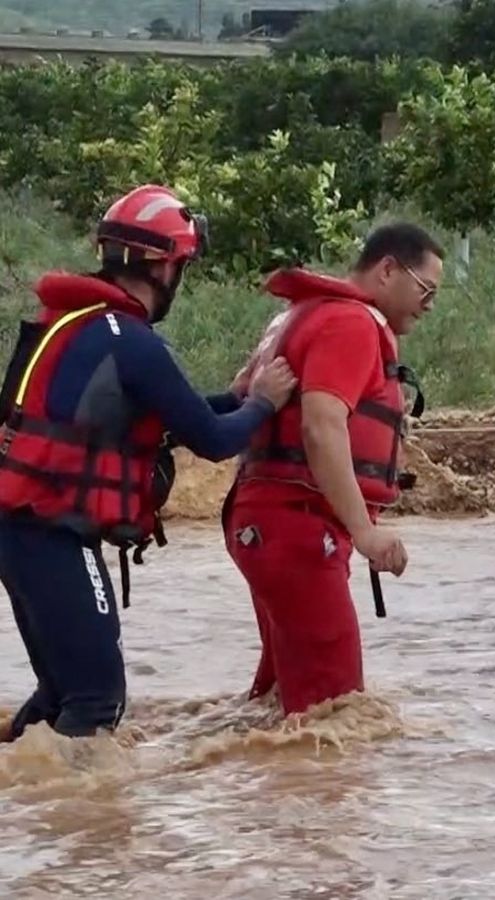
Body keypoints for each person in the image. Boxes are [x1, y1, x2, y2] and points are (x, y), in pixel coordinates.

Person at [0, 184, 297, 742]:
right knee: (97, 702)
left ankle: (27, 815)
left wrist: (238, 397)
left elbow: (171, 418)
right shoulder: (133, 341)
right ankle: (81, 825)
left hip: (21, 531)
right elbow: (211, 440)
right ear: (163, 268)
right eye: (181, 265)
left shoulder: (78, 323)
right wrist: (264, 404)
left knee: (60, 695)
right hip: (52, 534)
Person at [223, 222, 442, 718]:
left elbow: (240, 389)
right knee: (334, 714)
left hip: (266, 525)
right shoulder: (351, 323)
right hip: (296, 528)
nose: (429, 305)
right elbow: (321, 426)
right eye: (426, 289)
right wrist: (364, 531)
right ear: (388, 269)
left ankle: (233, 787)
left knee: (283, 705)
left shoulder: (299, 316)